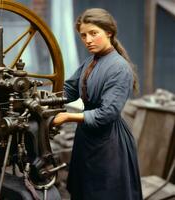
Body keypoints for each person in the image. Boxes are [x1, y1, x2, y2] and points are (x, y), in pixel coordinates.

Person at [52, 8, 143, 200]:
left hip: (109, 143)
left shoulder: (119, 68)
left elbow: (107, 113)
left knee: (105, 193)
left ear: (108, 32)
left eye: (94, 33)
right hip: (86, 138)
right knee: (85, 191)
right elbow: (70, 89)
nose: (88, 40)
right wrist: (45, 98)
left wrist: (68, 116)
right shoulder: (90, 62)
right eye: (83, 35)